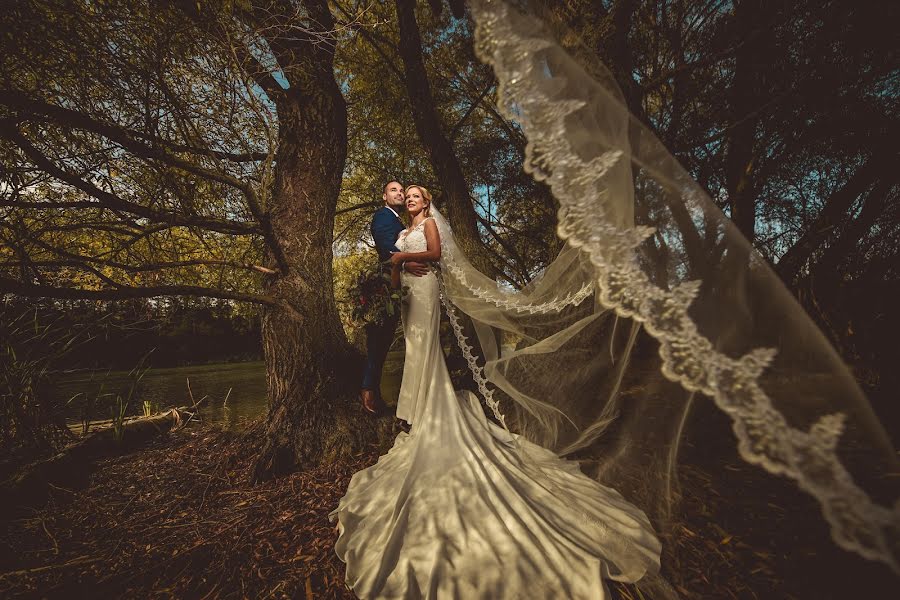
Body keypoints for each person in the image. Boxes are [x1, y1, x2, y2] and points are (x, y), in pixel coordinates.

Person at [329, 185, 662, 598]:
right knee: (415, 350)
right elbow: (393, 258)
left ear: (427, 201)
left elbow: (432, 256)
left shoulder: (429, 224)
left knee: (425, 347)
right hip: (407, 294)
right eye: (405, 194)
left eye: (415, 194)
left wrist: (401, 257)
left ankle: (431, 408)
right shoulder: (398, 224)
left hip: (427, 290)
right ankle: (418, 405)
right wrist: (394, 270)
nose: (411, 199)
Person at [360, 180, 429, 415]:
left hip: (402, 284)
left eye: (402, 191)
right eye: (394, 190)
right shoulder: (383, 216)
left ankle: (379, 392)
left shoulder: (400, 220)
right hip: (387, 284)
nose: (400, 194)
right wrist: (407, 262)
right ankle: (368, 389)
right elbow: (385, 247)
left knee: (387, 337)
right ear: (384, 196)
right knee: (380, 338)